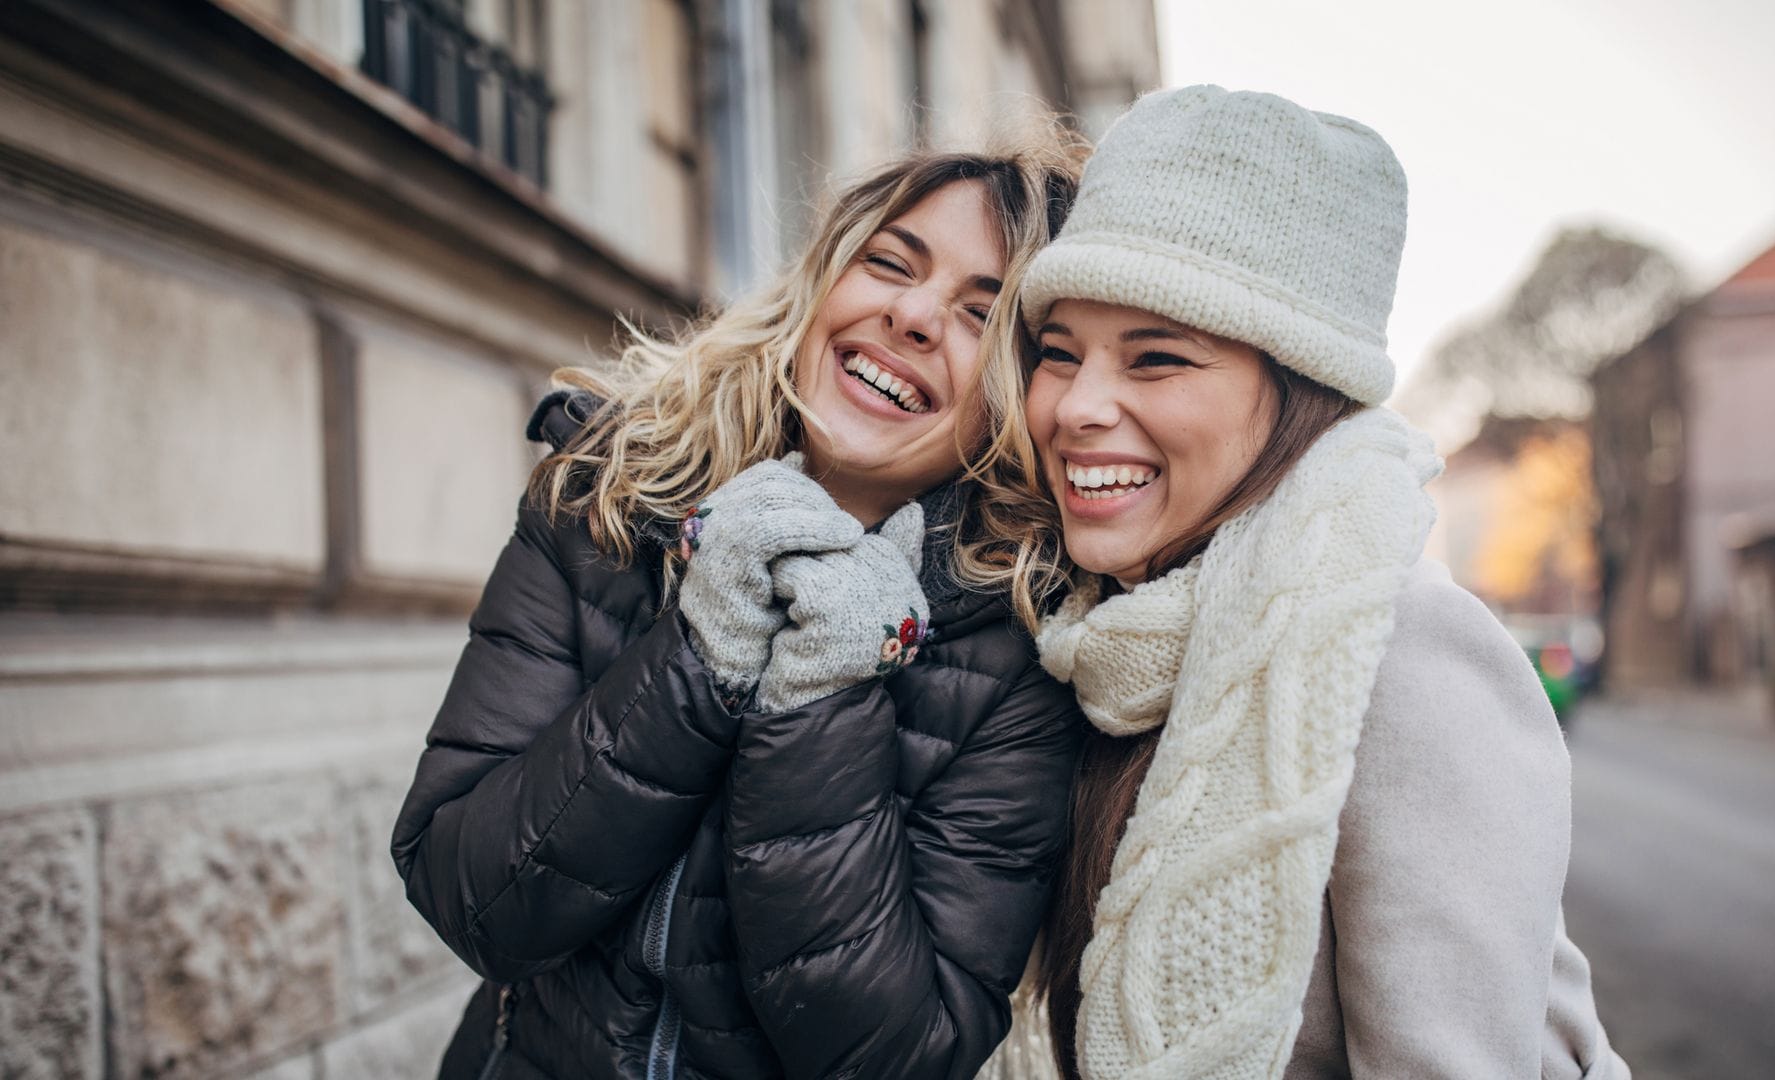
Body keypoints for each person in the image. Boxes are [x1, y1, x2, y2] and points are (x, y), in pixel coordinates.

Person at [391, 140, 1088, 1079]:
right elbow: (470, 896)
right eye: (889, 262)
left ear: (1018, 392)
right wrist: (700, 654)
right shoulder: (606, 499)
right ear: (821, 284)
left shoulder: (1024, 653)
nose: (913, 315)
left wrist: (825, 694)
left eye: (982, 313)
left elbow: (894, 1059)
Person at [999, 85, 1630, 1078]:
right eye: (1058, 353)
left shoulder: (1401, 653)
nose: (1078, 406)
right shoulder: (1099, 642)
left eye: (1157, 360)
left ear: (1296, 389)